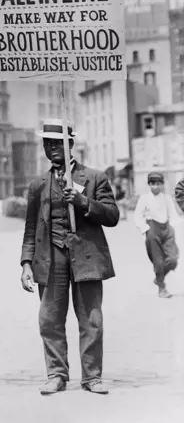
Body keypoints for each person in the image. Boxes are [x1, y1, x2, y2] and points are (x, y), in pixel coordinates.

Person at [20, 119, 119, 396]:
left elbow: (112, 216)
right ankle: (56, 374)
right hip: (50, 257)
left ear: (70, 144)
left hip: (86, 257)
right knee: (49, 319)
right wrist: (27, 262)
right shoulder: (38, 185)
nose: (51, 148)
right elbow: (31, 228)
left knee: (91, 320)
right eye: (47, 143)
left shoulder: (95, 177)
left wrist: (82, 201)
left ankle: (92, 377)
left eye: (57, 143)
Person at [135, 172, 179, 298]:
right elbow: (138, 215)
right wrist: (145, 228)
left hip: (166, 229)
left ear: (162, 185)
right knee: (158, 262)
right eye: (153, 184)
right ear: (149, 185)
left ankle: (158, 279)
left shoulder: (167, 198)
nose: (155, 187)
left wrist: (173, 227)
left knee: (173, 259)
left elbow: (173, 214)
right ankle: (162, 288)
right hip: (152, 230)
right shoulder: (144, 199)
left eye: (158, 184)